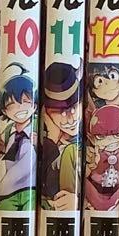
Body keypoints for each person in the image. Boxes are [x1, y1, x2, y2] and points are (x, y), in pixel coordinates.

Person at [40, 62, 82, 211]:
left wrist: (76, 200)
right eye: (60, 112)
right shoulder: (45, 146)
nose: (70, 120)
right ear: (46, 113)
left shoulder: (90, 141)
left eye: (74, 107)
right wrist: (51, 140)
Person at [0, 66, 36, 209]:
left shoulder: (37, 131)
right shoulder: (7, 133)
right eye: (12, 105)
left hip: (31, 190)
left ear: (35, 105)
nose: (20, 108)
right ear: (4, 110)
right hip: (8, 193)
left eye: (25, 102)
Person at [84, 103, 119, 210]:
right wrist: (92, 164)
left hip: (118, 189)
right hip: (95, 188)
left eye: (117, 135)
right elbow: (84, 174)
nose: (109, 141)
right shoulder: (92, 153)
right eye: (101, 136)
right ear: (91, 138)